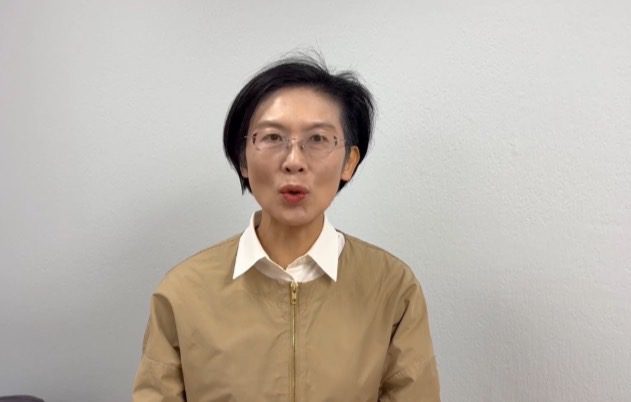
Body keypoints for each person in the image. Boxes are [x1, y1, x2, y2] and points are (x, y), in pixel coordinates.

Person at [132, 56, 440, 401]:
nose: (294, 161)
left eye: (318, 139)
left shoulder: (391, 288)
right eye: (273, 137)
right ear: (243, 158)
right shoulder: (184, 293)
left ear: (349, 162)